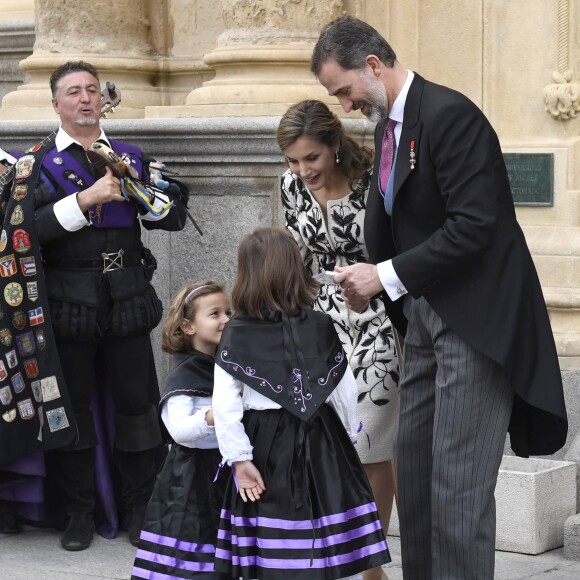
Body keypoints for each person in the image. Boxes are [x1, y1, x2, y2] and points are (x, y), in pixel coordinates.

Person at [311, 16, 568, 580]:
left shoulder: (452, 116)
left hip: (476, 323)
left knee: (457, 484)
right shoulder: (388, 124)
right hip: (422, 320)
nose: (346, 105)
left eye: (344, 90)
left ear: (372, 66)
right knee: (419, 471)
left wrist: (386, 275)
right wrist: (372, 276)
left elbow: (476, 226)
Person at [0, 60, 189, 551]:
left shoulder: (128, 155)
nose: (85, 99)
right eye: (73, 92)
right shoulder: (34, 164)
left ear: (103, 100)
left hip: (126, 296)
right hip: (68, 303)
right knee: (72, 410)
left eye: (91, 91)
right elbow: (25, 232)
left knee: (137, 408)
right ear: (56, 103)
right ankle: (78, 512)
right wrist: (84, 201)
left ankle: (137, 508)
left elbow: (172, 221)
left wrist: (139, 186)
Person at [212, 227, 391, 580]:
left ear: (246, 275)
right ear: (296, 270)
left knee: (271, 531)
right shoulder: (321, 325)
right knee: (321, 524)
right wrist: (345, 444)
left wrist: (240, 459)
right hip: (321, 440)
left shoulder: (238, 331)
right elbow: (343, 389)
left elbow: (224, 403)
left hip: (263, 447)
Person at [276, 99, 398, 580]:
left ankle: (371, 566)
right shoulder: (290, 188)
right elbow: (295, 260)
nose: (302, 170)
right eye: (292, 159)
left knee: (370, 440)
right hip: (319, 323)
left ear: (334, 145)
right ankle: (333, 548)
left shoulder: (374, 183)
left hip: (377, 321)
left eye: (312, 158)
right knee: (327, 437)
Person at [131, 280, 231, 579]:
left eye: (228, 312)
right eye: (215, 314)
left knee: (223, 547)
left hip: (226, 470)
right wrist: (215, 415)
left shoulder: (226, 365)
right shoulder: (185, 371)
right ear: (188, 326)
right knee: (190, 548)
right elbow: (178, 430)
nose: (226, 319)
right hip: (190, 478)